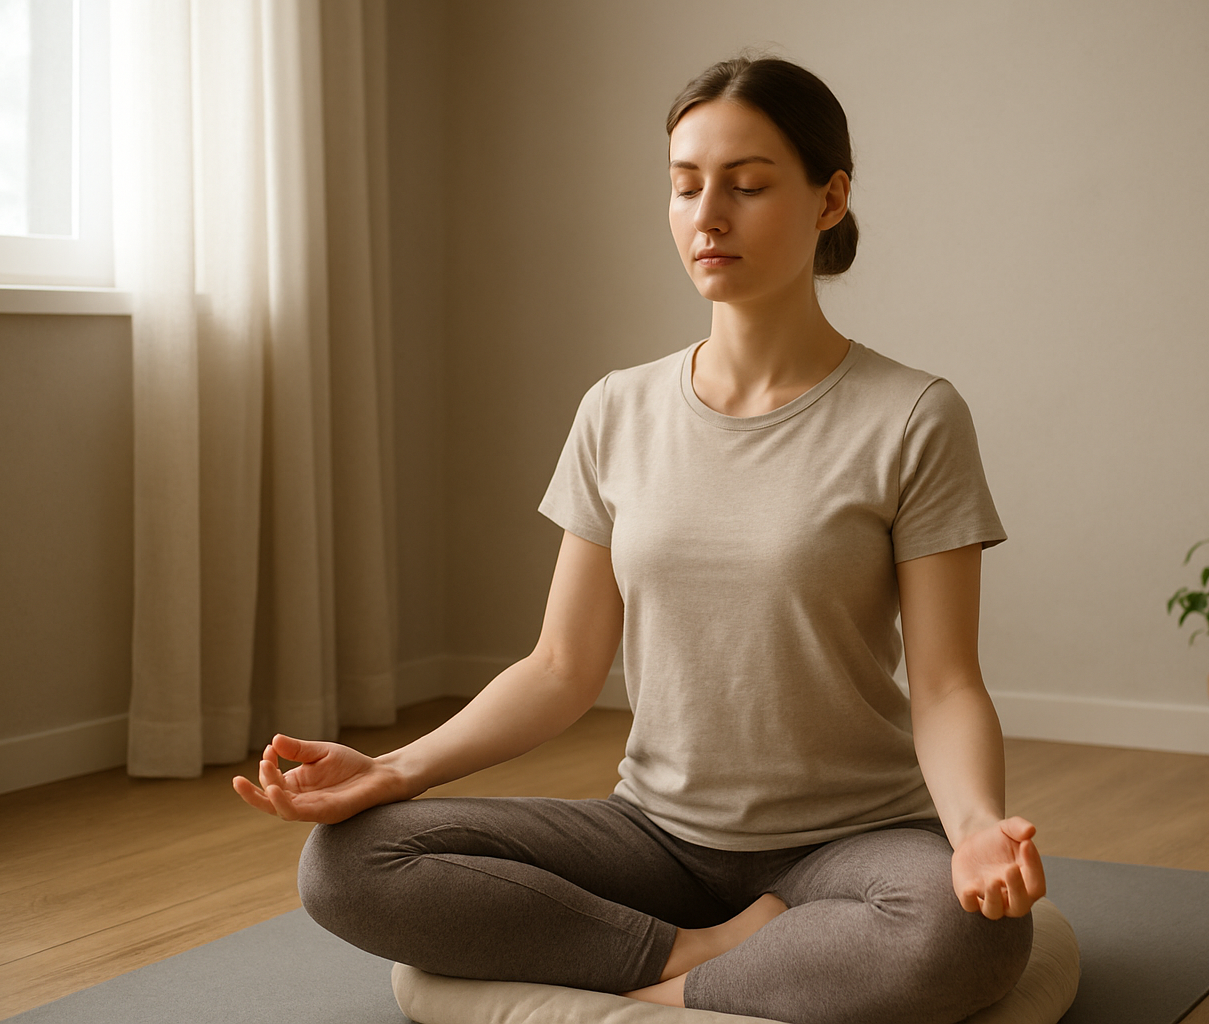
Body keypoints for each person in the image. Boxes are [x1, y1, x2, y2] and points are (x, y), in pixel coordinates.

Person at [233, 55, 1045, 1024]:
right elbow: (560, 666)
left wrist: (974, 829)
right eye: (685, 184)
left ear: (830, 200)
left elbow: (949, 681)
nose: (709, 215)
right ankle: (703, 957)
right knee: (348, 861)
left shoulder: (913, 415)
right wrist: (394, 767)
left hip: (850, 843)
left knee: (969, 931)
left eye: (747, 186)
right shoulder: (616, 408)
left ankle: (652, 983)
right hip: (655, 837)